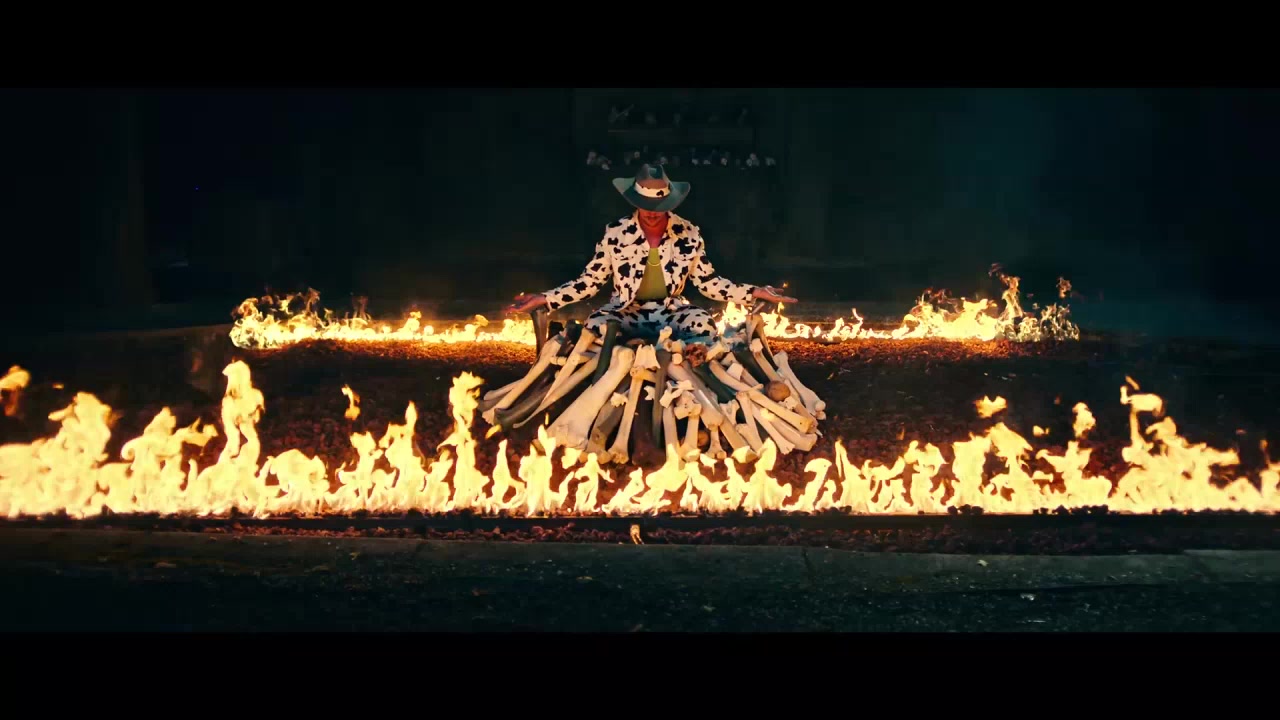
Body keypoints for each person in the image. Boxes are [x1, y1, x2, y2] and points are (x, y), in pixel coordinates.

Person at [506, 164, 795, 345]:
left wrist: (754, 292)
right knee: (595, 326)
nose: (652, 213)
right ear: (635, 202)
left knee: (704, 325)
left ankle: (673, 364)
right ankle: (631, 357)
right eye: (645, 206)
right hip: (625, 313)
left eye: (659, 207)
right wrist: (546, 298)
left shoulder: (689, 233)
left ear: (670, 203)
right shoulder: (616, 232)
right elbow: (590, 281)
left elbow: (709, 282)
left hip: (671, 313)